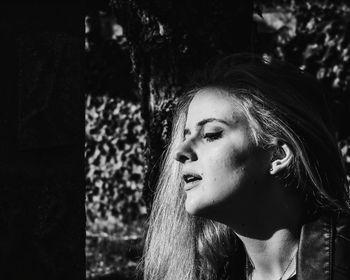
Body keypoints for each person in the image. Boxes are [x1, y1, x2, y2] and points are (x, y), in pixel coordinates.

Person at [141, 53, 350, 280]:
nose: (180, 152)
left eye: (211, 134)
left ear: (278, 155)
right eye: (186, 135)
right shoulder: (208, 271)